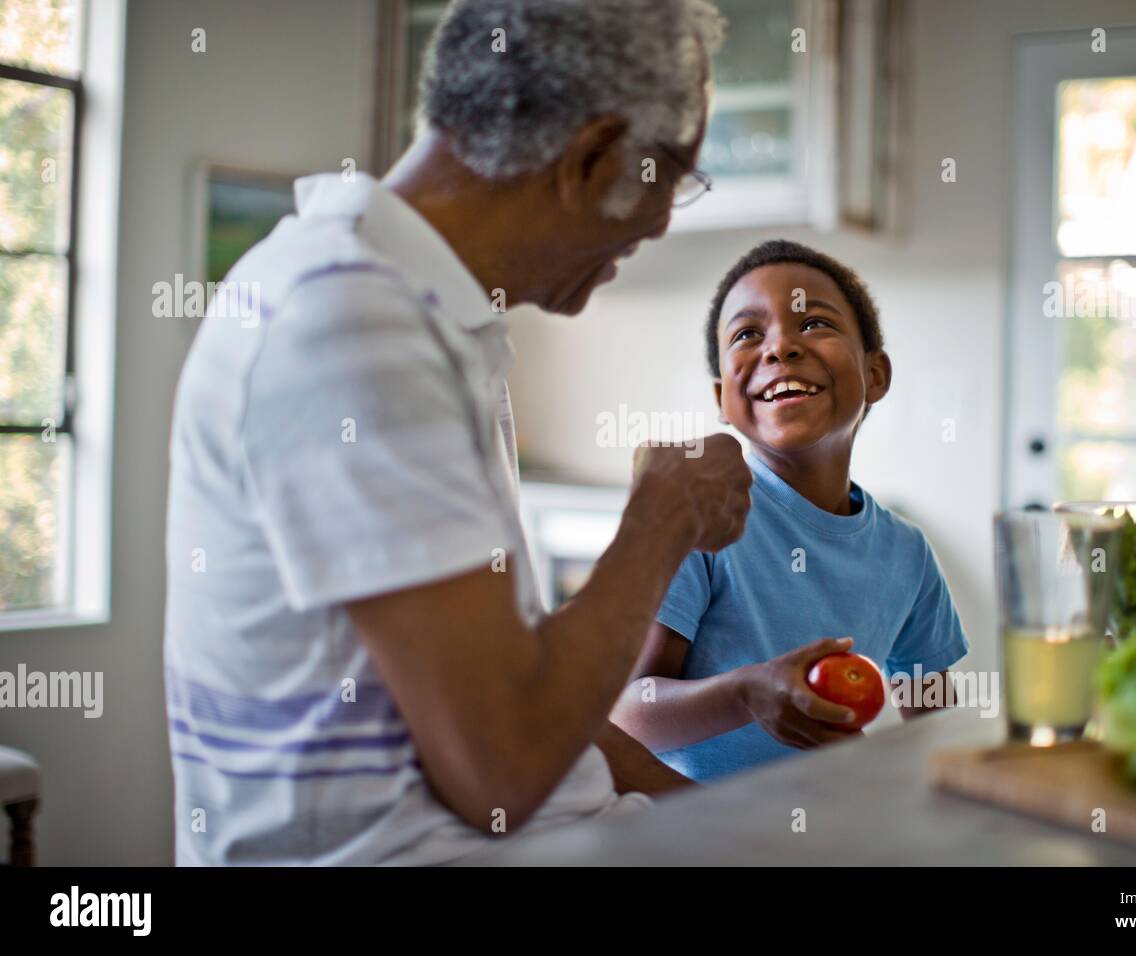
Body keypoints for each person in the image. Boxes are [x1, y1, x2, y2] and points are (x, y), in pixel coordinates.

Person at [163, 0, 744, 865]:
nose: (662, 223)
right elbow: (503, 769)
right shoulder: (351, 322)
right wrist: (660, 524)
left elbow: (550, 719)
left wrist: (748, 825)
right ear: (590, 158)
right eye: (672, 177)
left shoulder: (417, 316)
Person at [610, 240, 969, 781]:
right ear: (723, 398)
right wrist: (746, 695)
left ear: (875, 375)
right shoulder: (699, 519)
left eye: (814, 323)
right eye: (748, 334)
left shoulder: (907, 553)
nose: (779, 348)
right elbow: (627, 714)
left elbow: (936, 729)